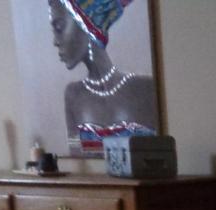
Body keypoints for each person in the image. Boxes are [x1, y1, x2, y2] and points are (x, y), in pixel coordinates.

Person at [49, 0, 159, 156]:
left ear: (87, 23)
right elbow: (77, 159)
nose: (55, 41)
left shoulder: (145, 87)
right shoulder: (73, 95)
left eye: (59, 28)